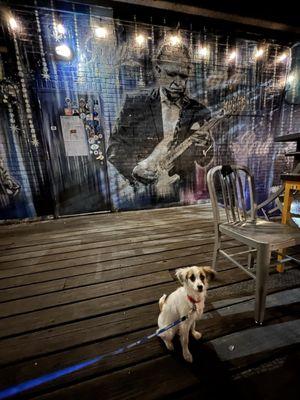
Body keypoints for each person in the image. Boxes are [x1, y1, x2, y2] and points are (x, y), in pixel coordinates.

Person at [107, 42, 213, 198]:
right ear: (158, 70)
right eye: (171, 74)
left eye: (183, 76)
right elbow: (115, 147)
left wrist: (206, 145)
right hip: (143, 193)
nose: (178, 83)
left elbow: (204, 160)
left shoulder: (199, 111)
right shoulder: (135, 105)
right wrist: (134, 169)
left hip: (182, 194)